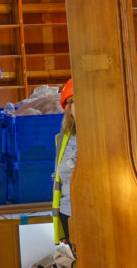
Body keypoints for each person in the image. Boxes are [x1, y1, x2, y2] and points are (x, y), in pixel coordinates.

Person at [53, 79, 77, 245]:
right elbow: (58, 182)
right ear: (69, 108)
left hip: (94, 214)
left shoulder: (101, 138)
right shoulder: (63, 139)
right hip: (67, 213)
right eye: (75, 102)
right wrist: (59, 227)